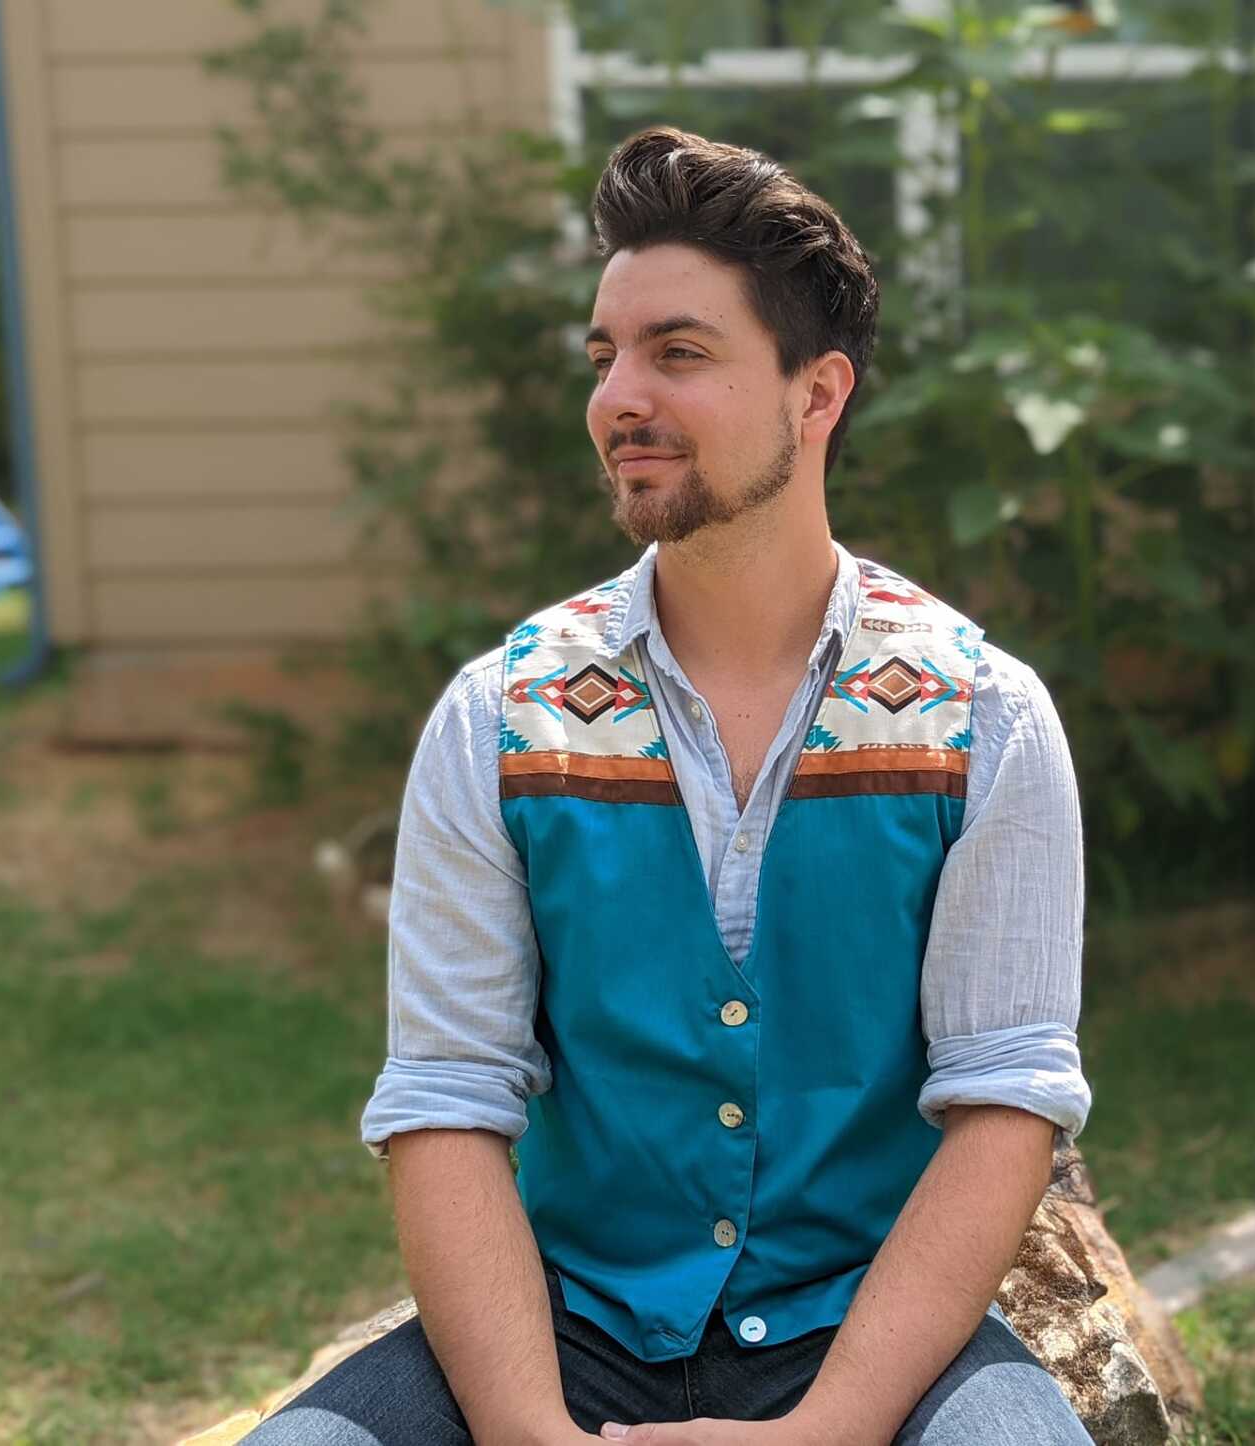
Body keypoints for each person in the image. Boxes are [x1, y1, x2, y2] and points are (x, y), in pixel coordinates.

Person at [247, 127, 1092, 1446]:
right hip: (565, 1328)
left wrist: (830, 1428)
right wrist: (529, 1430)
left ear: (819, 396)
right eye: (606, 356)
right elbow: (446, 1103)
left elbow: (1007, 1102)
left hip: (875, 1341)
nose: (618, 396)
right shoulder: (504, 716)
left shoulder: (984, 716)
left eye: (678, 353)